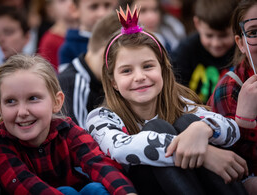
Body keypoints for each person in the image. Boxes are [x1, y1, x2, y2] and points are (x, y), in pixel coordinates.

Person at [85, 5, 248, 195]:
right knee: (156, 129)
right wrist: (205, 154)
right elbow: (121, 149)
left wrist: (203, 129)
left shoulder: (180, 102)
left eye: (147, 66)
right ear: (113, 81)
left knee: (190, 123)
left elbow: (231, 130)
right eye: (126, 71)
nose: (139, 77)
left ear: (163, 69)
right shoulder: (100, 118)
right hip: (144, 189)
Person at [0, 54, 137, 195]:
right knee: (67, 191)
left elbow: (99, 163)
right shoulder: (1, 143)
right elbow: (24, 183)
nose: (22, 112)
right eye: (10, 101)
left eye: (33, 98)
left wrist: (125, 192)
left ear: (57, 102)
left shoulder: (67, 131)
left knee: (95, 189)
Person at [208, 0, 257, 194]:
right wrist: (242, 123)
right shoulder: (229, 90)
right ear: (241, 43)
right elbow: (233, 172)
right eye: (254, 32)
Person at [58, 11, 121, 128]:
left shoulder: (96, 80)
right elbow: (78, 141)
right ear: (107, 55)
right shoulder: (74, 84)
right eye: (125, 66)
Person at [171, 0, 238, 103]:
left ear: (236, 26)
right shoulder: (185, 51)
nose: (216, 43)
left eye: (223, 36)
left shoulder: (241, 52)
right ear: (197, 24)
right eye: (209, 35)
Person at [58, 0, 117, 65]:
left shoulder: (120, 38)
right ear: (74, 9)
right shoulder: (68, 49)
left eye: (107, 5)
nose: (102, 13)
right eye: (94, 7)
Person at [119, 0, 186, 52]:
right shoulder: (120, 44)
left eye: (155, 9)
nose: (152, 17)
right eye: (142, 11)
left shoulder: (173, 30)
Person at [38, 0, 78, 72]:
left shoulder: (87, 32)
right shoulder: (49, 40)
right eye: (62, 1)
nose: (70, 3)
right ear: (51, 9)